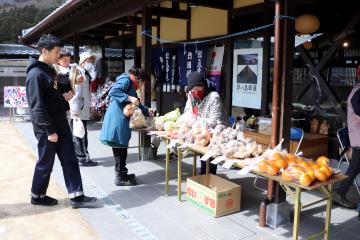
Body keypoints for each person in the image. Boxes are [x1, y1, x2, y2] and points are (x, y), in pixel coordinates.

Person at [26, 34, 96, 207]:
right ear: (44, 51)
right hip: (47, 128)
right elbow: (37, 107)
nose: (59, 55)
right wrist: (50, 130)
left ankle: (77, 196)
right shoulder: (35, 74)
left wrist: (67, 91)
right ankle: (37, 195)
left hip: (61, 124)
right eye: (56, 52)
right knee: (46, 163)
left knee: (70, 159)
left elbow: (55, 90)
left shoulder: (50, 69)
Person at [100, 68, 152, 186]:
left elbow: (137, 102)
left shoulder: (131, 84)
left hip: (121, 118)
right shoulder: (126, 80)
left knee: (122, 146)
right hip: (116, 118)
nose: (142, 86)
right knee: (118, 146)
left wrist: (148, 111)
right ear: (139, 79)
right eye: (143, 83)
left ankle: (123, 173)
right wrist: (129, 98)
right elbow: (113, 91)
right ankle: (119, 177)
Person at [183, 71, 228, 175]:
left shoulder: (213, 96)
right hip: (202, 132)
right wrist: (189, 119)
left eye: (198, 88)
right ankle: (204, 176)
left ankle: (210, 177)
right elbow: (187, 111)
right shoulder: (191, 95)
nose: (195, 91)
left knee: (211, 157)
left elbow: (215, 120)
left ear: (203, 85)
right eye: (193, 89)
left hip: (217, 131)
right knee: (202, 154)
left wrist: (197, 121)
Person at [333, 67, 360, 209]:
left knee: (355, 166)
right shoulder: (357, 92)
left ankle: (340, 192)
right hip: (358, 135)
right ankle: (339, 193)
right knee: (355, 166)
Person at [70, 52, 97, 167]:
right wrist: (75, 111)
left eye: (92, 60)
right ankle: (82, 158)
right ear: (83, 61)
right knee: (80, 134)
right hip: (78, 110)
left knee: (81, 133)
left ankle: (82, 156)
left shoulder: (84, 72)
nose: (91, 63)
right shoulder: (78, 71)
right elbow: (76, 93)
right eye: (89, 60)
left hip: (82, 109)